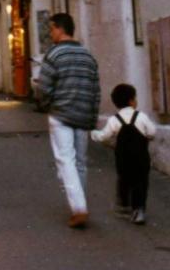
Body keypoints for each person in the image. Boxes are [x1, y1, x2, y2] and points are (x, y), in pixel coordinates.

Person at [34, 12, 100, 229]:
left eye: (51, 29)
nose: (50, 33)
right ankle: (79, 204)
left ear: (59, 28)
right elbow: (95, 90)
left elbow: (44, 87)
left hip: (61, 114)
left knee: (65, 161)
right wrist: (92, 116)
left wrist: (45, 106)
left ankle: (79, 208)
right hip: (83, 114)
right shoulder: (87, 55)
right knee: (80, 162)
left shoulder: (54, 54)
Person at [91, 83, 158, 225]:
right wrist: (148, 136)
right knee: (141, 182)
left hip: (123, 158)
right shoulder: (141, 116)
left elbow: (103, 136)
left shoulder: (114, 120)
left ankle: (124, 205)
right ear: (132, 101)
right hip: (141, 157)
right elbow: (152, 132)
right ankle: (138, 210)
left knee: (124, 179)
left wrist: (93, 133)